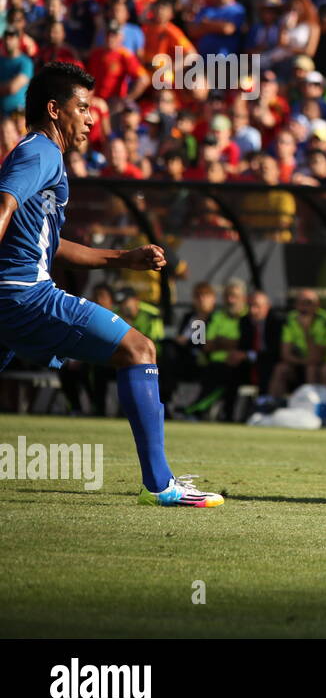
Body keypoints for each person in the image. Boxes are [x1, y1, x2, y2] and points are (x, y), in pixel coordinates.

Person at [0, 63, 222, 506]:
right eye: (82, 108)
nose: (89, 118)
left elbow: (50, 242)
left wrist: (124, 258)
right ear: (53, 110)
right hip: (25, 295)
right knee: (138, 350)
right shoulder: (40, 152)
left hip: (10, 297)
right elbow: (2, 205)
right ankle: (160, 486)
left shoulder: (38, 153)